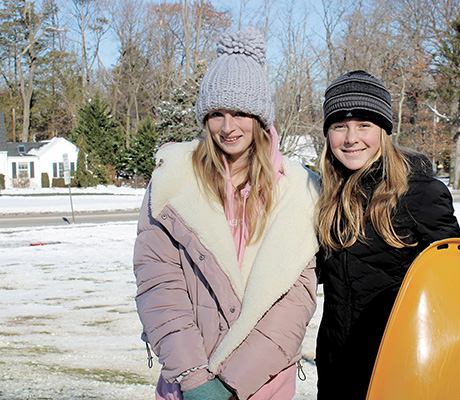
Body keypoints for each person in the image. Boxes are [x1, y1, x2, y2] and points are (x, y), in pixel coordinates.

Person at [133, 27, 320, 400]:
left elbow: (295, 302)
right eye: (217, 114)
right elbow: (158, 284)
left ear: (260, 118)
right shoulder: (172, 183)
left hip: (265, 385)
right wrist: (195, 379)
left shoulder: (298, 191)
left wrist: (231, 384)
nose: (228, 127)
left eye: (240, 113)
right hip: (188, 387)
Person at [314, 70, 460, 399]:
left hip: (404, 368)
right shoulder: (327, 196)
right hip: (338, 366)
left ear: (384, 131)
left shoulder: (420, 193)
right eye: (340, 126)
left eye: (364, 125)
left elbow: (450, 277)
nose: (351, 138)